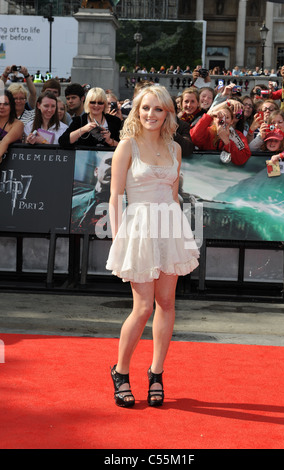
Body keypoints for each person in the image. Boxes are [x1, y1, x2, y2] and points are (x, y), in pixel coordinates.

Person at [106, 85, 199, 408]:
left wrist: (178, 232)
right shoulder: (127, 146)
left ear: (167, 113)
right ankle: (120, 372)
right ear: (137, 110)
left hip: (169, 225)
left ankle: (156, 372)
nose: (150, 114)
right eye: (145, 108)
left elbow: (173, 196)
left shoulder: (175, 149)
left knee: (167, 303)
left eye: (158, 109)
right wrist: (119, 239)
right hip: (139, 228)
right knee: (143, 307)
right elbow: (116, 195)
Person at [190, 101, 251, 165]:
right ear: (213, 119)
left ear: (231, 121)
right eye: (219, 117)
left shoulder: (236, 135)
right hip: (206, 168)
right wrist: (208, 116)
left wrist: (227, 142)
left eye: (227, 117)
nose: (223, 120)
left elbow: (243, 158)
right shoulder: (208, 132)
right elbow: (194, 138)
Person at [0, 89, 24, 164]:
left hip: (13, 165)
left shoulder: (18, 124)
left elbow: (5, 141)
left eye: (6, 104)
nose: (1, 107)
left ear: (11, 106)